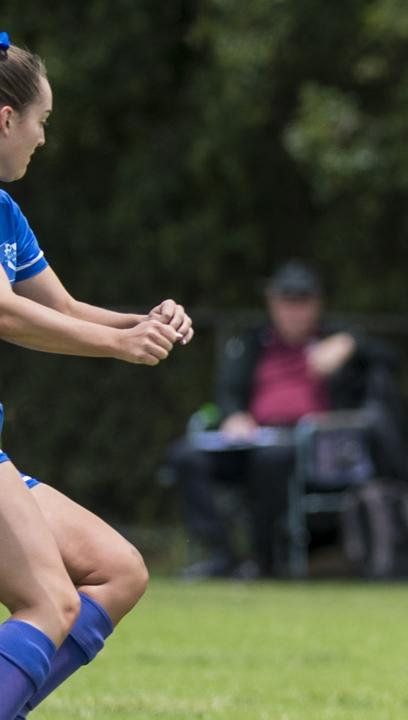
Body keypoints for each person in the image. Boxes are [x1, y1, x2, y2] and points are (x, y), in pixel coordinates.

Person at [0, 33, 193, 720]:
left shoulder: (6, 213)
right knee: (48, 601)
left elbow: (62, 308)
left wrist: (145, 323)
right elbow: (3, 312)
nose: (42, 140)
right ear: (5, 119)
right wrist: (119, 348)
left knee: (117, 571)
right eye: (41, 122)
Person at [168, 260, 408, 579]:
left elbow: (393, 360)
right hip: (251, 442)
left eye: (302, 302)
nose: (294, 311)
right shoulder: (252, 342)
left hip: (313, 450)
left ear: (317, 304)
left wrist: (350, 343)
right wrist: (234, 416)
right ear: (272, 303)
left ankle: (264, 560)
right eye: (286, 301)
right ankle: (222, 555)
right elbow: (227, 392)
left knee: (272, 458)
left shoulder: (335, 339)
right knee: (187, 456)